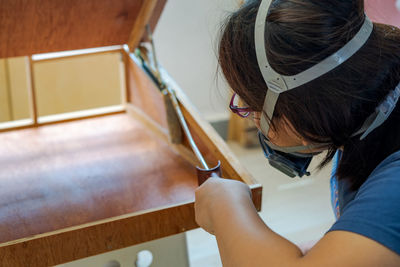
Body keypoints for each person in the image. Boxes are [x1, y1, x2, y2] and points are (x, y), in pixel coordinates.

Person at [194, 0, 400, 266]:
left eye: (249, 104)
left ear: (303, 112)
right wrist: (346, 245)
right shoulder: (367, 116)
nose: (250, 114)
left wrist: (226, 205)